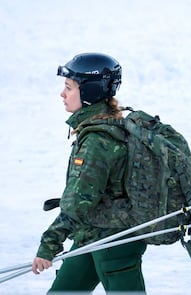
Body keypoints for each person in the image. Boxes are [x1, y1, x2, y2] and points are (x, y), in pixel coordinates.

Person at [31, 53, 147, 293]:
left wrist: (49, 245)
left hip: (116, 244)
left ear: (90, 92)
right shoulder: (105, 126)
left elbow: (79, 200)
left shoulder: (97, 141)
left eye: (69, 88)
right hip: (92, 235)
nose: (62, 94)